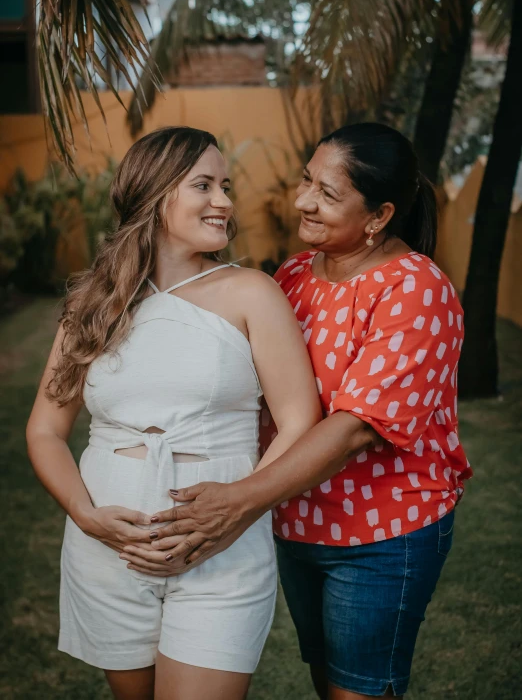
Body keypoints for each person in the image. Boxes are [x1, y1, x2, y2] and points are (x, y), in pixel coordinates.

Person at [138, 123, 472, 699]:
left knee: (360, 691)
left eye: (327, 193)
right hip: (297, 522)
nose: (302, 201)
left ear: (379, 215)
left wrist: (239, 500)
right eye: (305, 181)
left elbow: (351, 432)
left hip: (381, 535)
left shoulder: (417, 289)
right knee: (328, 684)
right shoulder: (294, 276)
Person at [26, 126, 322, 700]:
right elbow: (44, 430)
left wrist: (237, 512)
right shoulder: (94, 304)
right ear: (155, 193)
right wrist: (87, 517)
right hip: (109, 550)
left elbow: (299, 420)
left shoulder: (252, 293)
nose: (225, 202)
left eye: (225, 185)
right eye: (204, 185)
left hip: (224, 550)